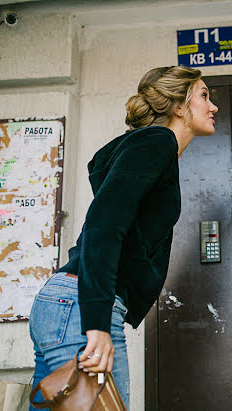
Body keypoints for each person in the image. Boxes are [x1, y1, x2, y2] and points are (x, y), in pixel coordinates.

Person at [29, 65, 218, 409]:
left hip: (67, 305)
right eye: (204, 96)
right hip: (81, 307)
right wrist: (97, 323)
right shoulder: (157, 142)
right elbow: (104, 223)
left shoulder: (152, 149)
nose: (213, 106)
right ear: (179, 107)